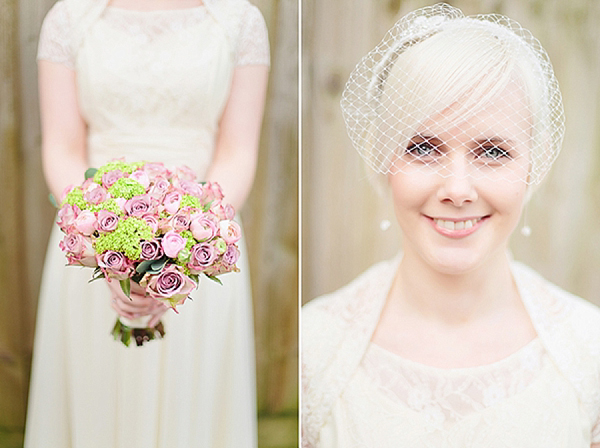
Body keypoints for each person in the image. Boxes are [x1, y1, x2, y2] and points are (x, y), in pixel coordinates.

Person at [302, 4, 600, 447]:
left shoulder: (590, 353)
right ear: (384, 159)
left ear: (533, 166)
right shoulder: (316, 348)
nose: (457, 189)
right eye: (423, 147)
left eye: (493, 151)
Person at [25, 0, 269, 446]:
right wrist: (101, 241)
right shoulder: (69, 18)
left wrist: (186, 252)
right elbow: (62, 149)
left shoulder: (239, 21)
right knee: (95, 396)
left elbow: (238, 152)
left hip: (200, 243)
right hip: (91, 247)